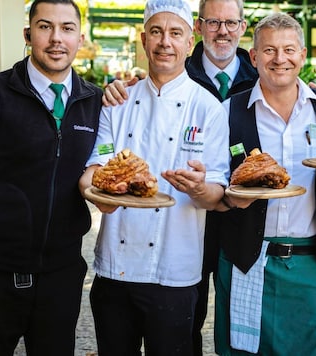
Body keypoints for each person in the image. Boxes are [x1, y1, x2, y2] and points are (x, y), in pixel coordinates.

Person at [101, 1, 316, 354]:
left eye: (231, 22)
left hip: (271, 242)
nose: (223, 30)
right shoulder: (215, 101)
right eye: (214, 22)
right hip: (220, 241)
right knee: (203, 336)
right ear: (199, 31)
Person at [0, 0, 102, 354]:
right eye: (45, 27)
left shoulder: (95, 102)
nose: (56, 39)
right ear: (28, 34)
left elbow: (101, 170)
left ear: (80, 38)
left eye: (67, 28)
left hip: (61, 275)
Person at [78, 0, 230, 354]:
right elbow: (94, 170)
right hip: (115, 269)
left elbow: (217, 194)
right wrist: (100, 195)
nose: (166, 42)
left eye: (175, 33)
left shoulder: (208, 108)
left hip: (177, 270)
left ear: (189, 42)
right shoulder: (117, 101)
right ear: (143, 40)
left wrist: (199, 189)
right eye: (157, 32)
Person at [210, 13, 316, 355]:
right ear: (254, 57)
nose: (280, 59)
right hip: (247, 261)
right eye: (269, 50)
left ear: (302, 55)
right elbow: (213, 180)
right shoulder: (227, 112)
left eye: (289, 49)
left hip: (312, 265)